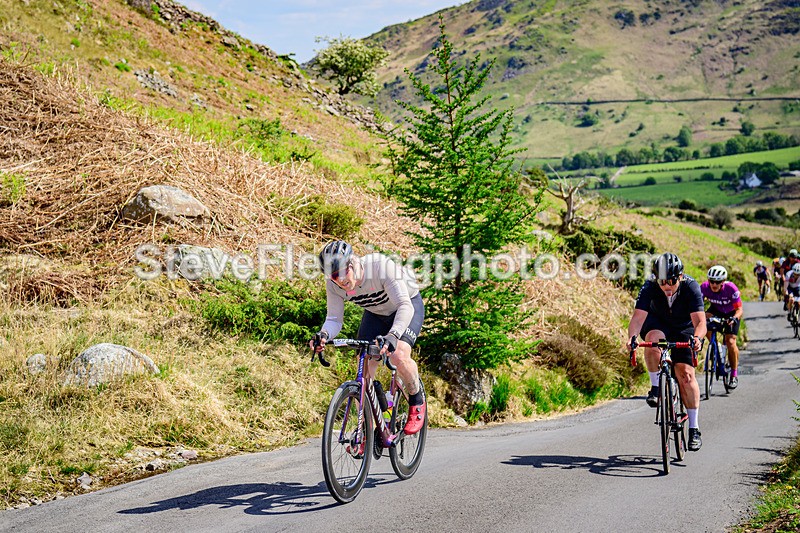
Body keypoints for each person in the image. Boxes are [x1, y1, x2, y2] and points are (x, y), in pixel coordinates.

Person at [310, 240, 427, 435]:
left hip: (406, 307)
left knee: (397, 355)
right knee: (363, 368)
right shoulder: (334, 284)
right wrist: (323, 335)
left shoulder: (380, 267)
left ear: (352, 263)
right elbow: (334, 319)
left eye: (341, 273)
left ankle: (416, 399)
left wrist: (393, 335)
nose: (339, 280)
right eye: (333, 276)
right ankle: (366, 430)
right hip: (375, 314)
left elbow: (405, 307)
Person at [626, 252, 706, 451]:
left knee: (686, 375)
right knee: (653, 341)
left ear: (680, 277)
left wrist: (697, 339)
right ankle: (655, 387)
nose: (666, 288)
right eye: (662, 284)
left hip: (683, 327)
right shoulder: (649, 286)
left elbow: (700, 322)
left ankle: (694, 428)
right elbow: (637, 319)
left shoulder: (691, 286)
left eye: (671, 283)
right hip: (658, 323)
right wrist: (632, 338)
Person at [700, 265, 743, 389]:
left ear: (723, 282)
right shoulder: (704, 288)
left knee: (730, 342)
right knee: (704, 322)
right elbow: (697, 306)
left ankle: (734, 374)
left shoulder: (731, 288)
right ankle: (715, 346)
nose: (714, 284)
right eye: (711, 281)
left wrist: (734, 318)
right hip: (716, 311)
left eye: (717, 282)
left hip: (731, 313)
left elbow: (739, 309)